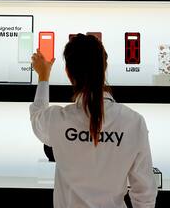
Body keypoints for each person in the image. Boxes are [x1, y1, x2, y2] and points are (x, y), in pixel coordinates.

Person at [29, 33, 157, 208]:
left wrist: (44, 76)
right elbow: (145, 194)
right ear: (104, 68)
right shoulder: (134, 122)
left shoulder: (56, 120)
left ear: (68, 73)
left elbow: (37, 114)